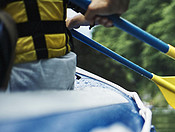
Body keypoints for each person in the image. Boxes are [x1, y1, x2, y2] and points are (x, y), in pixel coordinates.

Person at [1, 0, 129, 91]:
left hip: (22, 72)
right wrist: (75, 21)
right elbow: (102, 10)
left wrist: (75, 21)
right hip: (63, 69)